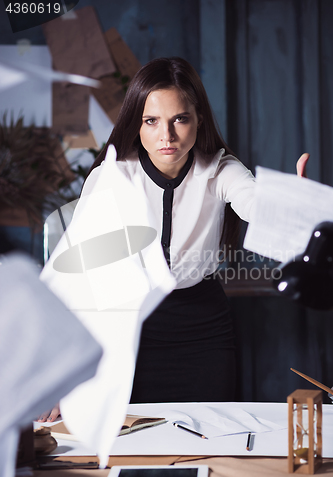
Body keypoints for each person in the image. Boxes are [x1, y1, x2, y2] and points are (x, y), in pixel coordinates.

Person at [38, 56, 309, 421]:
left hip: (203, 328)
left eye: (179, 119)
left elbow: (255, 203)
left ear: (198, 118)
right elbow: (75, 274)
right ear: (137, 123)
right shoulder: (114, 176)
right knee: (134, 443)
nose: (166, 135)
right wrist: (55, 372)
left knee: (211, 436)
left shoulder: (220, 169)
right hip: (131, 328)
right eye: (151, 121)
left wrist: (294, 204)